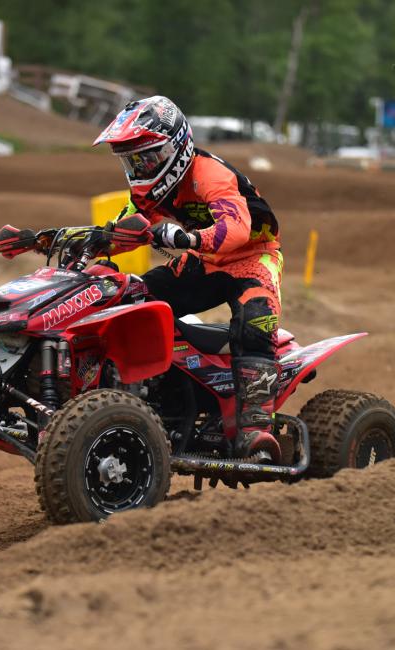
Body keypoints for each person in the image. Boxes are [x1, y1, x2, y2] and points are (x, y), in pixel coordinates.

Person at [95, 96, 284, 462]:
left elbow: (237, 228)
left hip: (253, 258)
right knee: (132, 295)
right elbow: (124, 232)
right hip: (205, 260)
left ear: (174, 148)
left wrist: (190, 239)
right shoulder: (147, 191)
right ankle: (136, 393)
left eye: (145, 157)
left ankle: (255, 429)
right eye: (132, 160)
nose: (139, 166)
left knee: (253, 323)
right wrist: (77, 241)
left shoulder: (209, 173)